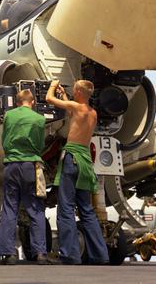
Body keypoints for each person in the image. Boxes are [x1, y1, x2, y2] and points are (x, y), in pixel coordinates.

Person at [46, 79, 109, 265]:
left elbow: (49, 99)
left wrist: (52, 85)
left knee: (65, 208)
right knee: (87, 210)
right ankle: (100, 255)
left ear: (79, 92)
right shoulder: (92, 113)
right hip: (85, 162)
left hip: (71, 158)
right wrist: (64, 96)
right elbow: (72, 111)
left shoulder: (76, 106)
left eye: (74, 90)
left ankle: (70, 255)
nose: (72, 93)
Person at [0, 88, 52, 265]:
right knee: (35, 209)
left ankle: (8, 253)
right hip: (31, 166)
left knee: (9, 208)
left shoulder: (9, 116)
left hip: (11, 164)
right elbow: (40, 144)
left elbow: (4, 138)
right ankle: (41, 254)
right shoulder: (39, 119)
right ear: (33, 102)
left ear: (18, 101)